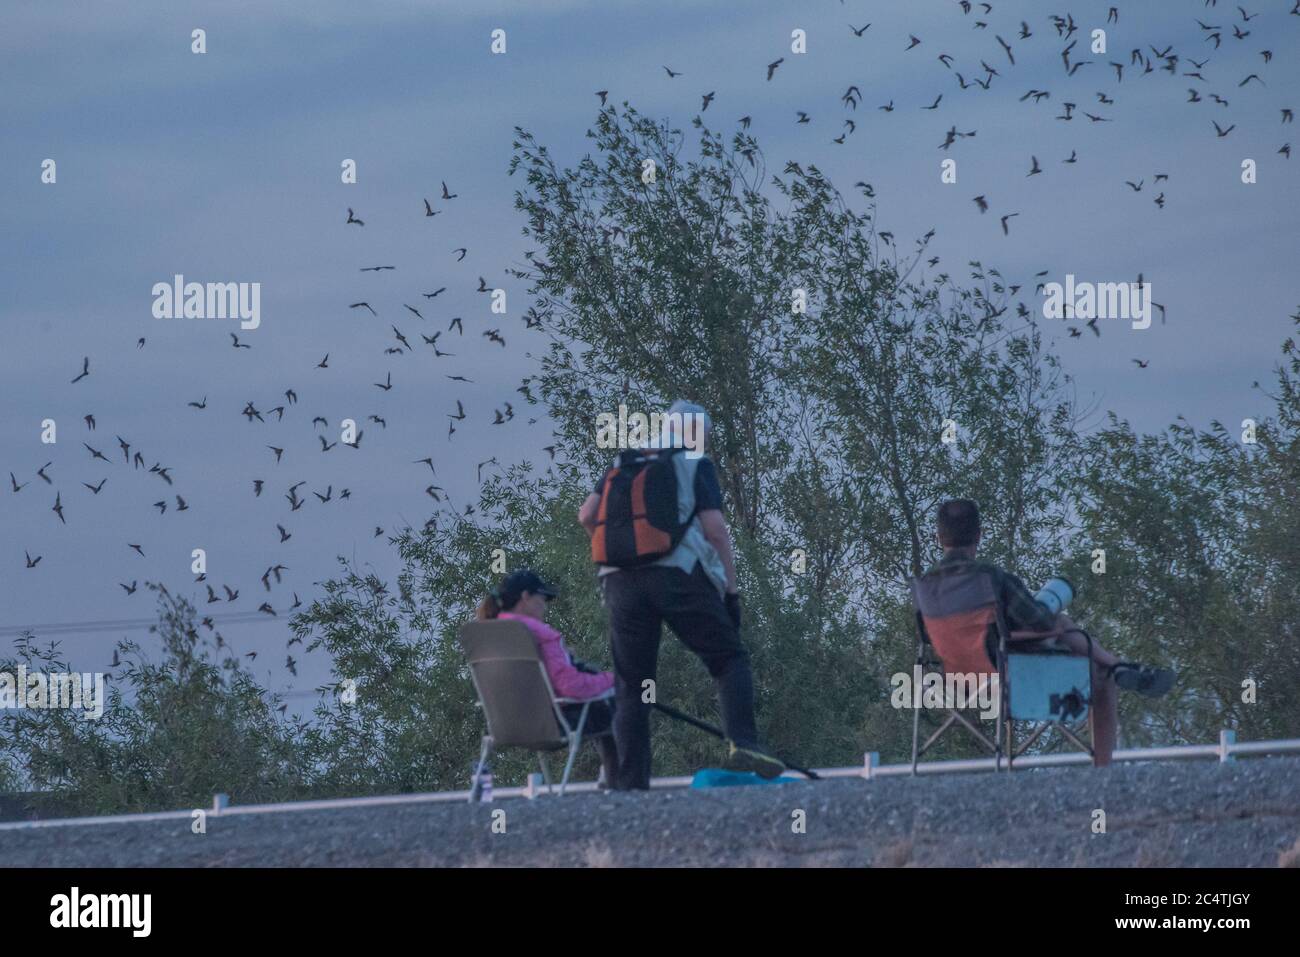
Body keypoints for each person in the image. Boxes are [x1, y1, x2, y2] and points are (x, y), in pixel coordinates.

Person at [578, 400, 785, 789]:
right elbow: (715, 530)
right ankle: (743, 742)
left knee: (632, 684)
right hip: (676, 573)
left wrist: (618, 554)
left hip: (620, 581)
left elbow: (587, 516)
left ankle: (630, 785)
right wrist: (730, 589)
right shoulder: (694, 461)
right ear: (697, 433)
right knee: (728, 657)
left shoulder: (623, 462)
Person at [920, 499, 1174, 767]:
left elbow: (928, 637)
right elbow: (1040, 623)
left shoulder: (924, 587)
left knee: (1059, 627)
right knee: (1090, 663)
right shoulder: (991, 578)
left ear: (939, 538)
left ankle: (1118, 667)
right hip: (1007, 678)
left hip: (953, 681)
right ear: (979, 535)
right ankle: (1103, 767)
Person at [476, 568, 620, 787]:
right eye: (542, 598)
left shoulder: (489, 632)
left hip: (503, 726)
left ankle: (612, 776)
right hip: (549, 726)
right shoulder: (539, 634)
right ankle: (617, 778)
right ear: (525, 597)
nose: (545, 605)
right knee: (617, 703)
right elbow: (571, 686)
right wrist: (614, 680)